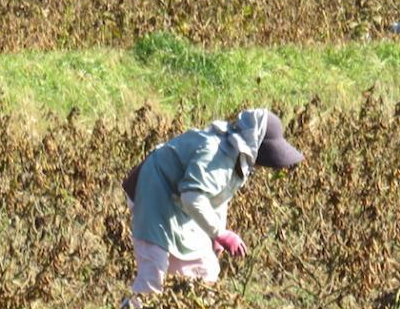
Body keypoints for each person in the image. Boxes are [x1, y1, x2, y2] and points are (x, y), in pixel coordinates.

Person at [122, 108, 304, 298]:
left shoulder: (238, 159)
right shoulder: (217, 152)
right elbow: (193, 197)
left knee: (204, 269)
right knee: (153, 275)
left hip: (178, 199)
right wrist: (220, 233)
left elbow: (217, 197)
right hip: (153, 190)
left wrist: (215, 235)